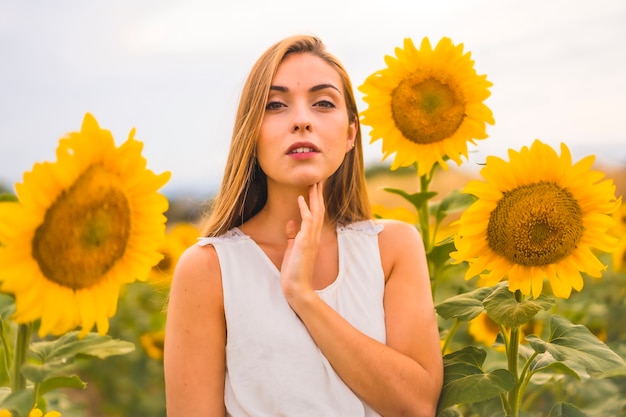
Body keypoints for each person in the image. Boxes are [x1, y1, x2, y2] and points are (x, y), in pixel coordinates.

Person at [163, 34, 443, 417]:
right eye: (275, 105)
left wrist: (303, 298)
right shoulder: (209, 269)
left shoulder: (392, 248)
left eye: (323, 103)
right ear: (252, 134)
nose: (301, 121)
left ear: (349, 134)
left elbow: (416, 404)